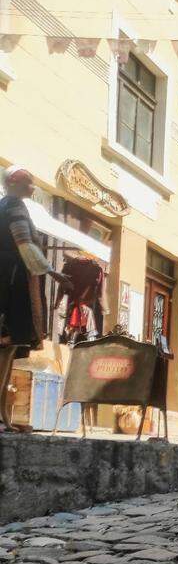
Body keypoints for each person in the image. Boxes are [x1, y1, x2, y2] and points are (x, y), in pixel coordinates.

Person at [0, 166, 70, 432]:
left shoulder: (6, 206)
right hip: (11, 284)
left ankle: (5, 418)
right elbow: (24, 244)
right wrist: (53, 272)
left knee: (7, 353)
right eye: (28, 182)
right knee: (4, 350)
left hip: (8, 279)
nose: (33, 187)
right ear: (13, 182)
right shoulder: (15, 208)